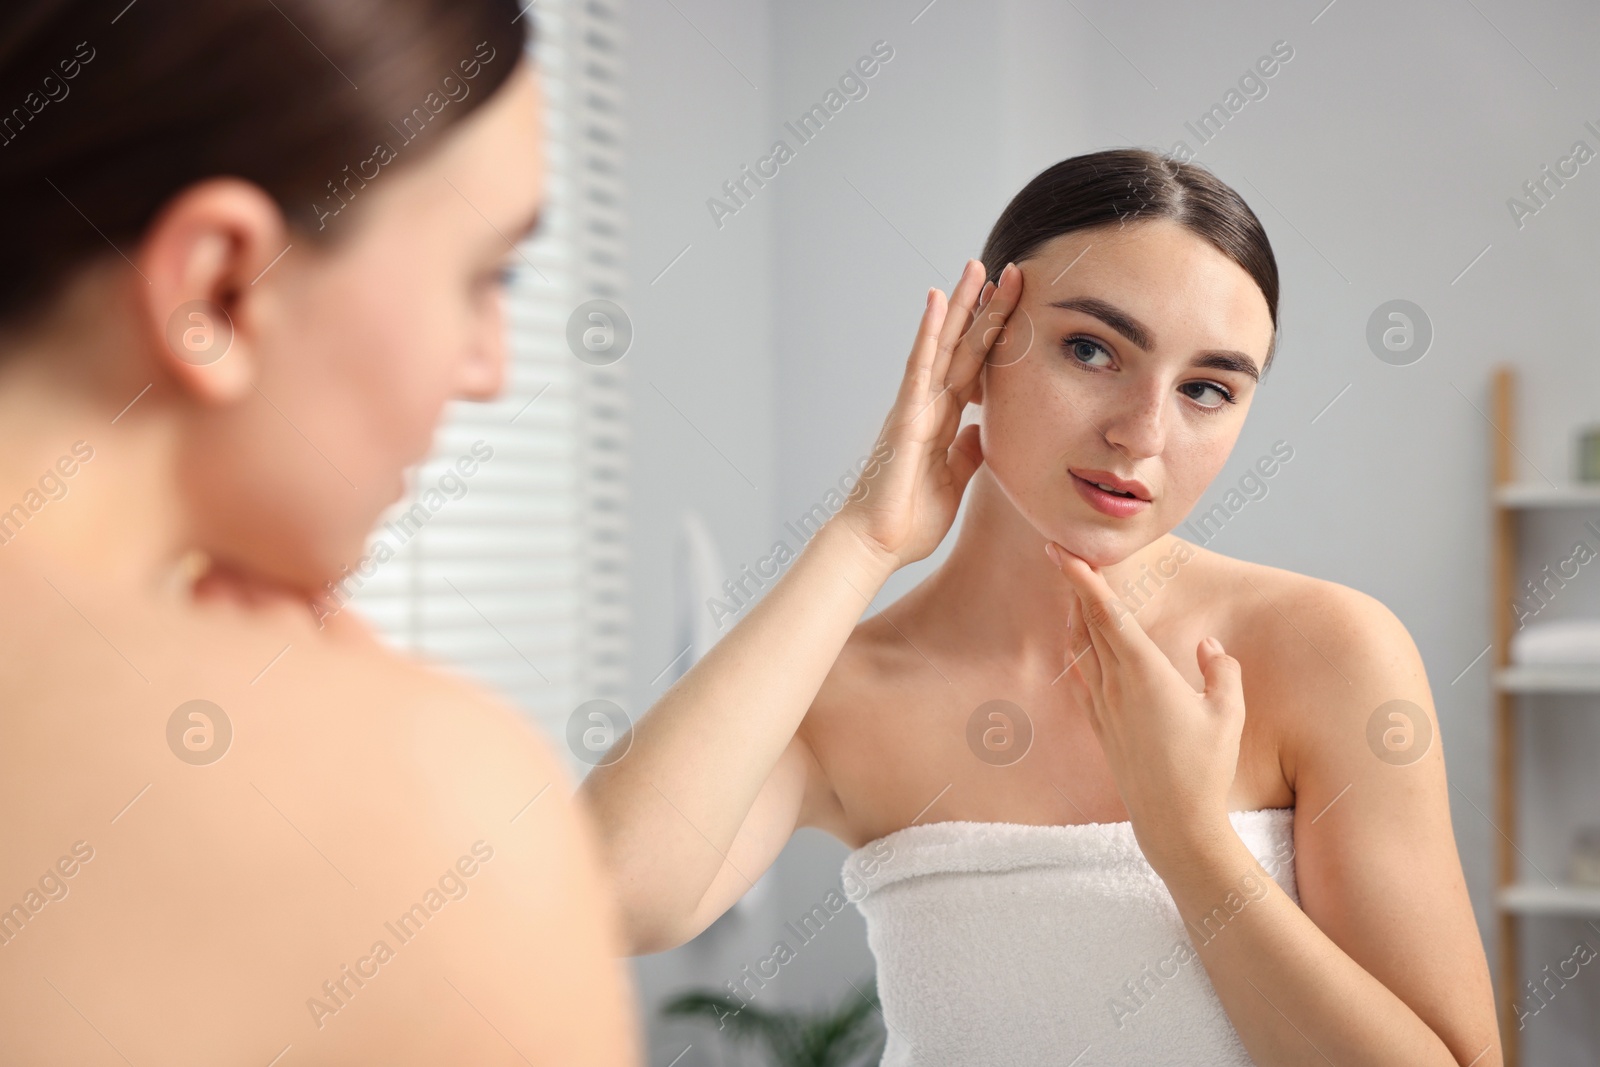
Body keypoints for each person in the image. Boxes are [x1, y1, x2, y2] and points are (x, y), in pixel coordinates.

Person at [580, 150, 1503, 1065]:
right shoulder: (838, 691)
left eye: (1206, 390)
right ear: (980, 343)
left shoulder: (1324, 653)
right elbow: (614, 897)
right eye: (1092, 349)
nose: (1142, 433)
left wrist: (1190, 843)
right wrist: (862, 541)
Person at [0, 2, 638, 1063]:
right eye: (487, 274)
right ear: (221, 287)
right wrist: (388, 766)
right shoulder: (434, 814)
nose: (492, 371)